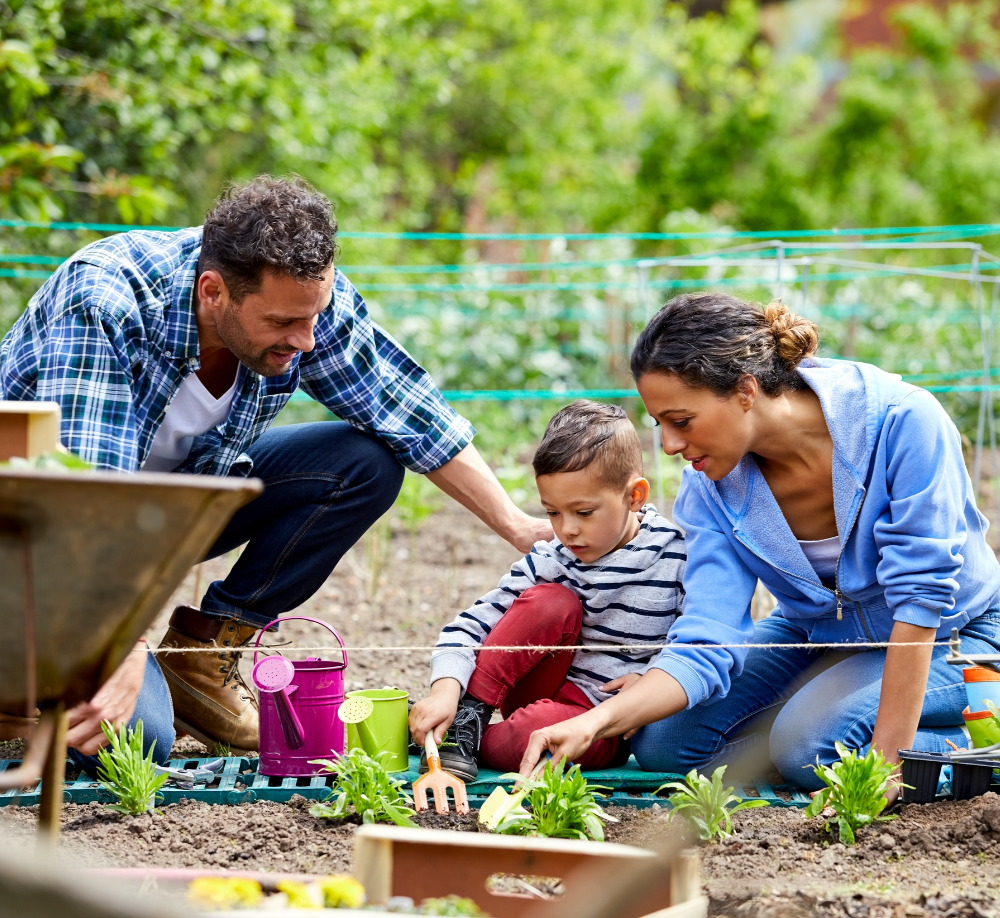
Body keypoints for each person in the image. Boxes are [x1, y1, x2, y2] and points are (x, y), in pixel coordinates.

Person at [0, 175, 550, 767]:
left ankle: (197, 664)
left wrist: (519, 527)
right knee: (136, 738)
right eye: (285, 323)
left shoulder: (301, 301)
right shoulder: (106, 301)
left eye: (313, 316)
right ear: (214, 292)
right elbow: (84, 498)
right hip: (36, 544)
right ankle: (19, 689)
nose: (308, 339)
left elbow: (409, 412)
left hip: (165, 516)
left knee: (363, 463)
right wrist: (125, 647)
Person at [516, 293, 1000, 794]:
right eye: (659, 424)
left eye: (681, 421)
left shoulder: (902, 421)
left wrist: (887, 766)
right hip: (817, 635)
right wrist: (596, 721)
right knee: (664, 744)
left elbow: (920, 599)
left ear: (746, 391)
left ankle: (978, 738)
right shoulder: (710, 487)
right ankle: (812, 727)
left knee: (810, 748)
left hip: (957, 636)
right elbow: (708, 633)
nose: (668, 445)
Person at [407, 400, 686, 778]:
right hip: (538, 684)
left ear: (634, 496)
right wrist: (446, 689)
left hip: (602, 722)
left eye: (583, 512)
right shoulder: (554, 557)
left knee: (531, 736)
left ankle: (440, 736)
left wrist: (652, 680)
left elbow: (696, 641)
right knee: (551, 602)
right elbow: (471, 626)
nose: (566, 529)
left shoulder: (676, 556)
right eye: (552, 512)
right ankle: (463, 717)